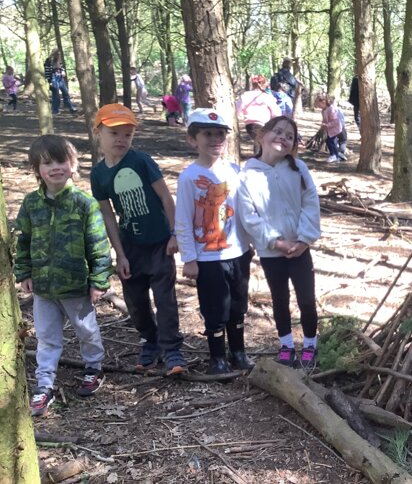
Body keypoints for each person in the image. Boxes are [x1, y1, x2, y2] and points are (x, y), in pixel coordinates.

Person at [15, 135, 112, 416]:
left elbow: (98, 244)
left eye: (61, 161)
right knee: (46, 337)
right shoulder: (31, 204)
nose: (55, 168)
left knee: (87, 331)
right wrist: (24, 272)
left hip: (76, 286)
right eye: (47, 163)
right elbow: (23, 241)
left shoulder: (84, 203)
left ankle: (93, 368)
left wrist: (99, 280)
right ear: (37, 170)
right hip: (43, 287)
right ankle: (44, 385)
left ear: (73, 165)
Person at [90, 104, 187, 375]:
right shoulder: (98, 174)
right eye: (114, 133)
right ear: (98, 132)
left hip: (159, 243)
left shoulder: (141, 160)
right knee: (135, 300)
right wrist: (119, 254)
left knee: (165, 299)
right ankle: (150, 341)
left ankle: (172, 350)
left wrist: (174, 234)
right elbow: (108, 215)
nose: (121, 139)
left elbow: (166, 197)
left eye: (128, 134)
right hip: (130, 246)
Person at [175, 108, 255, 374]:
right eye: (207, 134)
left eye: (220, 134)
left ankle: (238, 352)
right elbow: (183, 220)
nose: (215, 139)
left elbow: (243, 211)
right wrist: (189, 258)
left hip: (237, 252)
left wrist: (249, 243)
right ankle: (217, 357)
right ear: (192, 139)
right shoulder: (189, 177)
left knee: (238, 305)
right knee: (215, 308)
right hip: (208, 257)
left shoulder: (234, 171)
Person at [238, 116, 321, 370]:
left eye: (290, 136)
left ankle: (310, 344)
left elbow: (310, 202)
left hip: (300, 248)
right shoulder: (248, 174)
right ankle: (286, 345)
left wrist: (304, 239)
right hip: (271, 252)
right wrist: (275, 242)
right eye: (278, 132)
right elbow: (249, 216)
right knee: (280, 298)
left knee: (306, 299)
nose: (283, 138)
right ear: (262, 135)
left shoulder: (298, 168)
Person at [236, 74, 280, 141]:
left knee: (257, 141)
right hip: (263, 124)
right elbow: (276, 113)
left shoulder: (246, 95)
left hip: (249, 126)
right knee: (260, 142)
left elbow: (237, 109)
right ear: (263, 84)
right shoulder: (267, 97)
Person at [44, 49, 76, 114]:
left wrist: (63, 71)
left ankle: (71, 108)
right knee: (56, 96)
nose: (58, 55)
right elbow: (47, 71)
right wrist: (49, 81)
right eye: (57, 54)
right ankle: (55, 110)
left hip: (60, 78)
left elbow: (61, 67)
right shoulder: (48, 61)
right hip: (53, 78)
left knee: (65, 93)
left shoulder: (59, 60)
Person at [317, 94, 346, 162]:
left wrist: (327, 125)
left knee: (330, 141)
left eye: (318, 103)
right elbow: (325, 119)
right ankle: (336, 155)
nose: (317, 105)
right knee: (329, 141)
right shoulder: (323, 110)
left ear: (323, 102)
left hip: (335, 128)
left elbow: (335, 121)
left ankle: (333, 155)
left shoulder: (331, 109)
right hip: (330, 129)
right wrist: (323, 125)